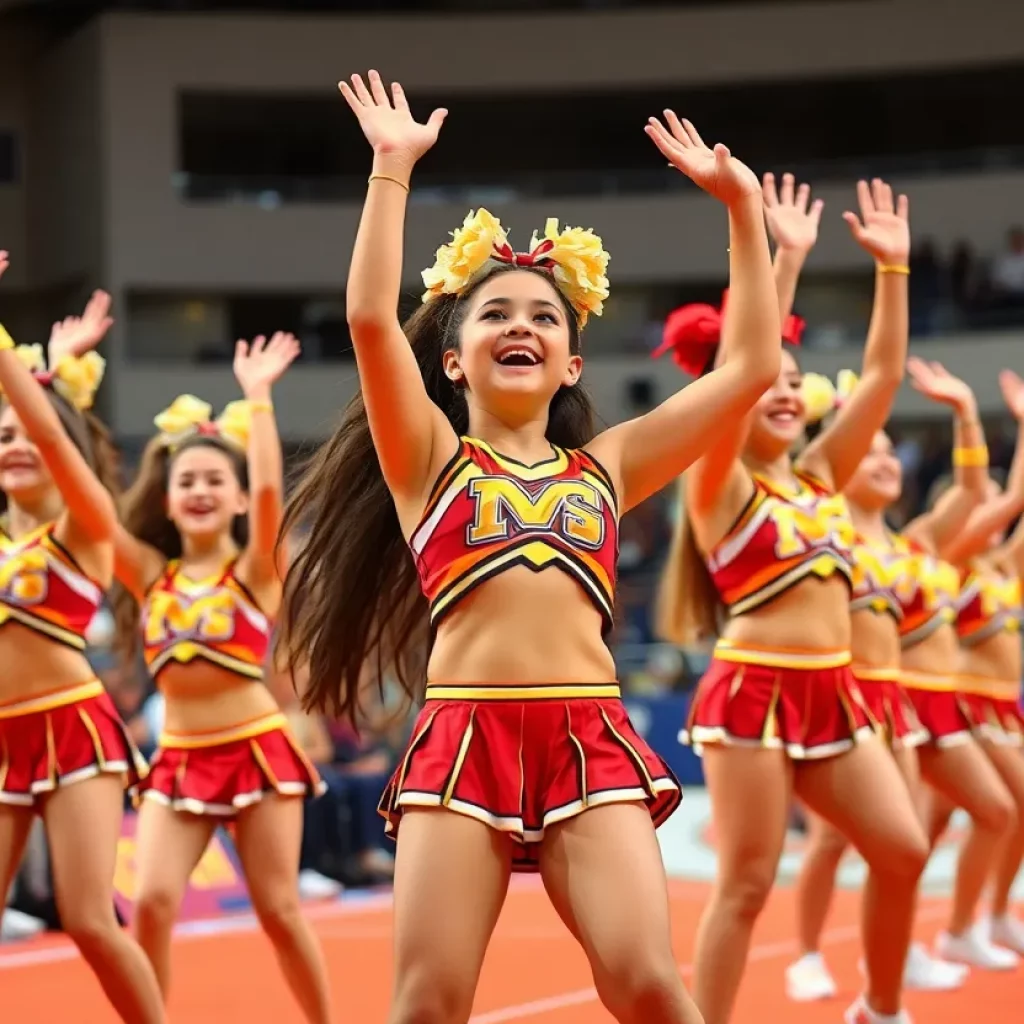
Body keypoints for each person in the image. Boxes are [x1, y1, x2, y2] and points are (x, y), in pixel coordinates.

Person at [276, 71, 782, 1024]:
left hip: (589, 736)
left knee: (647, 984)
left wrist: (742, 209)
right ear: (455, 360)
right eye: (497, 314)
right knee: (427, 1005)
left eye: (545, 316)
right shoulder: (427, 459)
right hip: (461, 737)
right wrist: (391, 171)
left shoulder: (611, 466)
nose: (522, 325)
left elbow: (752, 364)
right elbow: (369, 321)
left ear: (572, 363)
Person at [659, 177, 929, 1024]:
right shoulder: (718, 485)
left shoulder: (820, 478)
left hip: (835, 693)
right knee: (744, 885)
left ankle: (879, 1009)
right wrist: (788, 259)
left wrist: (893, 270)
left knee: (904, 850)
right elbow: (745, 370)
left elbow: (883, 376)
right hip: (754, 690)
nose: (781, 388)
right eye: (769, 379)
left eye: (795, 380)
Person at [82, 332, 332, 1021]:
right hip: (179, 761)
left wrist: (257, 399)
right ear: (165, 499)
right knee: (153, 904)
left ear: (239, 499)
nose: (198, 490)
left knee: (279, 910)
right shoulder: (147, 574)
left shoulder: (255, 572)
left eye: (214, 480)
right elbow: (89, 503)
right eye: (185, 480)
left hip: (256, 750)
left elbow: (275, 489)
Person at [0, 257, 164, 1023]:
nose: (15, 444)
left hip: (74, 730)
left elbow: (51, 435)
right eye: (0, 435)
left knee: (89, 919)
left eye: (24, 432)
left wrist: (39, 376)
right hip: (4, 741)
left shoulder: (86, 527)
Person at [914, 368, 1024, 964]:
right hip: (965, 701)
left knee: (925, 833)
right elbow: (1007, 498)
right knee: (999, 810)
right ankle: (962, 926)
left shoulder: (1005, 565)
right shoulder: (950, 560)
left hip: (1003, 705)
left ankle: (992, 916)